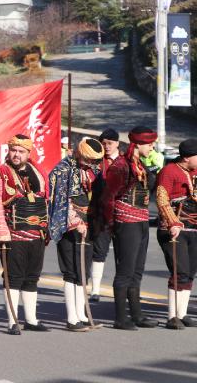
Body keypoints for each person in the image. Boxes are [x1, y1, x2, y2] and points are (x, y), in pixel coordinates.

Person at [0, 134, 50, 335]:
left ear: (28, 153)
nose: (16, 154)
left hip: (36, 234)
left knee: (32, 277)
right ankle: (12, 320)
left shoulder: (37, 171)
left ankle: (31, 319)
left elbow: (46, 199)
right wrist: (1, 234)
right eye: (13, 150)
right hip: (13, 235)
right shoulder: (1, 174)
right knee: (14, 277)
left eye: (21, 151)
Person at [101, 126, 159, 330]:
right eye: (150, 144)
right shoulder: (121, 166)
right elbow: (108, 197)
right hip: (126, 222)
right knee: (125, 271)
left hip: (142, 220)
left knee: (137, 271)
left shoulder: (140, 164)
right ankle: (120, 317)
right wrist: (111, 224)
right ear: (139, 144)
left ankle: (137, 314)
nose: (152, 148)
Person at [49, 137, 104, 332]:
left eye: (94, 162)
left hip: (89, 224)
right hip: (68, 225)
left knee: (83, 272)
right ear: (80, 154)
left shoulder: (94, 170)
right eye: (89, 160)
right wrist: (75, 221)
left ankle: (82, 313)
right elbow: (60, 200)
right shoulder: (63, 169)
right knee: (71, 271)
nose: (92, 165)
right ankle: (72, 318)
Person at [155, 139, 197, 329]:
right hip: (173, 229)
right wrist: (173, 222)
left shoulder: (194, 172)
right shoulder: (168, 171)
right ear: (187, 157)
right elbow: (162, 199)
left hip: (194, 228)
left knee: (189, 273)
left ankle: (183, 313)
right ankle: (172, 316)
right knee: (179, 272)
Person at [90, 128, 121, 302]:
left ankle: (121, 288)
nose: (107, 147)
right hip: (101, 214)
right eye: (104, 143)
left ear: (117, 143)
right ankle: (95, 289)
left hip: (121, 213)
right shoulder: (96, 163)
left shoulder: (124, 162)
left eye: (110, 143)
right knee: (99, 252)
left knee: (122, 253)